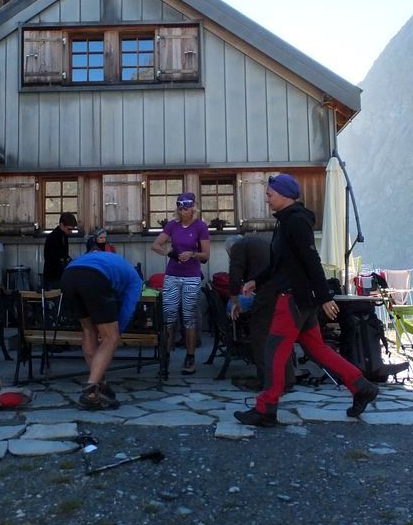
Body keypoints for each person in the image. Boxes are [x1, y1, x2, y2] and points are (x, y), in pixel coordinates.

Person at [234, 174, 379, 427]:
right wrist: (256, 280)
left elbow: (311, 260)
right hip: (299, 298)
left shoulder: (296, 222)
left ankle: (266, 409)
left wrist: (325, 297)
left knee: (274, 351)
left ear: (284, 195)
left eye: (270, 195)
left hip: (291, 298)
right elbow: (282, 264)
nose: (267, 200)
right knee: (316, 349)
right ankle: (362, 387)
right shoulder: (286, 221)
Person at [60, 250, 144, 410]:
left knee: (88, 331)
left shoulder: (113, 263)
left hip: (68, 275)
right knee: (110, 338)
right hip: (94, 278)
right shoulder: (135, 280)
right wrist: (116, 334)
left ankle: (100, 383)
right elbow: (127, 309)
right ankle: (90, 392)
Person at [225, 233, 294, 392]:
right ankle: (288, 379)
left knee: (259, 335)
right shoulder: (257, 241)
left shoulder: (237, 247)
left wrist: (235, 302)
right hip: (285, 288)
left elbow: (235, 275)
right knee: (280, 335)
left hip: (268, 291)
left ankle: (266, 380)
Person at [151, 192, 211, 375]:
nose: (183, 210)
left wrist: (192, 254)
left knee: (188, 317)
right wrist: (170, 253)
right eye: (180, 206)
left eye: (186, 206)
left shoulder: (200, 226)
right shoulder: (172, 225)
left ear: (193, 207)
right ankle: (165, 358)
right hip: (173, 274)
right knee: (169, 317)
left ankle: (190, 356)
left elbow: (206, 255)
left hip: (191, 275)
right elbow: (155, 245)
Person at [42, 212, 76, 290]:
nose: (71, 231)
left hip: (58, 274)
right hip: (53, 276)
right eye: (69, 229)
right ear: (62, 225)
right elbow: (52, 258)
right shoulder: (53, 237)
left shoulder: (63, 236)